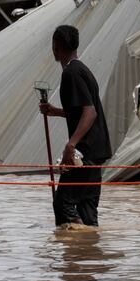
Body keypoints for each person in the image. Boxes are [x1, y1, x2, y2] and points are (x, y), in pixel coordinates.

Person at [39, 25, 112, 227]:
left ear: (55, 47)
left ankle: (77, 247)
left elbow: (90, 113)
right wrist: (56, 111)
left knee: (63, 204)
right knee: (87, 210)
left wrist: (71, 146)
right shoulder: (83, 70)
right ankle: (88, 252)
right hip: (95, 152)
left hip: (84, 153)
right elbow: (82, 111)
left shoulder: (71, 73)